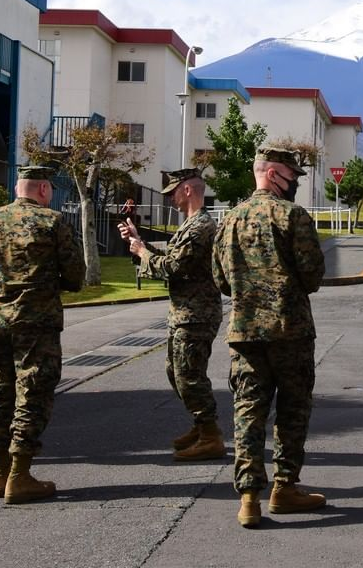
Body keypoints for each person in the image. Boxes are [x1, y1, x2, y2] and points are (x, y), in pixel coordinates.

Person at [212, 146, 326, 528]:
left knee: (248, 412)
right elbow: (312, 276)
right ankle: (285, 487)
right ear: (275, 173)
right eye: (292, 176)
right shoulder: (293, 217)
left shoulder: (229, 219)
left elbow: (221, 280)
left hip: (245, 334)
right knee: (292, 413)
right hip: (289, 332)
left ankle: (248, 499)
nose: (295, 183)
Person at [0, 165, 84, 503]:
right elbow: (76, 274)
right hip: (35, 321)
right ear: (45, 190)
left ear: (18, 188)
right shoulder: (53, 222)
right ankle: (20, 474)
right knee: (32, 391)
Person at [120, 168, 224, 461]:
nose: (169, 198)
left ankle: (210, 435)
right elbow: (169, 261)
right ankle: (201, 423)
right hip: (184, 312)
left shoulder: (200, 227)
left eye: (172, 192)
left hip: (196, 313)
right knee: (175, 372)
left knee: (189, 376)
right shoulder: (190, 224)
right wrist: (138, 242)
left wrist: (142, 252)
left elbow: (173, 268)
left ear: (188, 190)